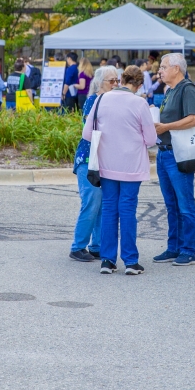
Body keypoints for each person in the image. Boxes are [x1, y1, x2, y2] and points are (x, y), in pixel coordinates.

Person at [83, 66, 158, 275]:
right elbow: (151, 140)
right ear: (139, 84)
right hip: (131, 165)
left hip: (106, 164)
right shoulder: (140, 103)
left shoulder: (101, 99)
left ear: (121, 79)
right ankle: (131, 261)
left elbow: (87, 133)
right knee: (127, 211)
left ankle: (107, 260)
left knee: (108, 209)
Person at [152, 53, 195, 266]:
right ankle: (173, 247)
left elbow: (194, 119)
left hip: (178, 154)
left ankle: (188, 250)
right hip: (164, 152)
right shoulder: (170, 90)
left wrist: (165, 127)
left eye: (164, 67)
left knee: (185, 204)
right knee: (171, 204)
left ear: (176, 68)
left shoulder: (187, 88)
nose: (160, 71)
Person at [69, 65, 120, 262]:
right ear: (99, 83)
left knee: (100, 204)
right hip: (89, 159)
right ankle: (78, 246)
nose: (115, 84)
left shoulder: (108, 101)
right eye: (111, 81)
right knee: (91, 202)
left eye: (117, 80)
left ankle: (96, 245)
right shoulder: (94, 101)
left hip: (102, 158)